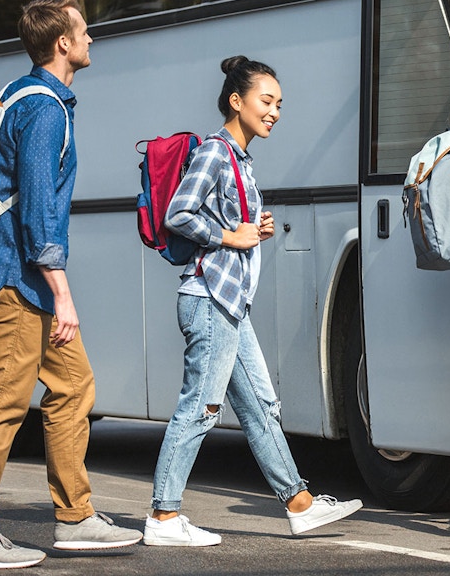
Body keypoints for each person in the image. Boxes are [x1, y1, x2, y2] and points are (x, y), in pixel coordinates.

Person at [0, 0, 143, 570]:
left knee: (74, 386)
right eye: (84, 32)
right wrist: (63, 294)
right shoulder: (43, 111)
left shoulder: (28, 96)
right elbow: (37, 212)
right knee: (0, 405)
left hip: (23, 278)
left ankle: (77, 517)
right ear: (62, 43)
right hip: (18, 280)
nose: (91, 39)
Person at [144, 56, 362, 546]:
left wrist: (252, 230)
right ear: (236, 101)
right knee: (199, 407)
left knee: (262, 407)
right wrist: (229, 236)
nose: (275, 112)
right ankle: (162, 517)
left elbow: (229, 224)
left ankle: (300, 504)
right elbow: (180, 213)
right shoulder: (216, 152)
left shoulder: (241, 158)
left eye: (279, 104)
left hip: (230, 304)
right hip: (209, 300)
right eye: (267, 101)